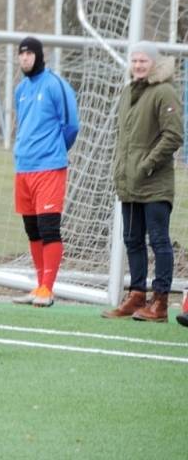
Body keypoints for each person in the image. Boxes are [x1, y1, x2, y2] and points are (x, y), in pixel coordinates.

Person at [101, 41, 183, 322]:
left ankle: (160, 302)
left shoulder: (164, 92)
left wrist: (147, 165)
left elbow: (173, 136)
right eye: (134, 61)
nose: (138, 65)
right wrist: (124, 170)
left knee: (158, 240)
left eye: (143, 61)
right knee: (132, 239)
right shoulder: (127, 93)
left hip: (155, 184)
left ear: (154, 63)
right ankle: (137, 295)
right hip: (130, 184)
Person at [12, 36, 80, 308]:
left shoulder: (55, 85)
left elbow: (71, 126)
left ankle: (48, 289)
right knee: (32, 230)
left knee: (49, 227)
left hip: (50, 167)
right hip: (23, 168)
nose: (25, 58)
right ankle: (39, 286)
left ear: (39, 56)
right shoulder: (20, 90)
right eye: (21, 54)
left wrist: (54, 150)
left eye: (29, 53)